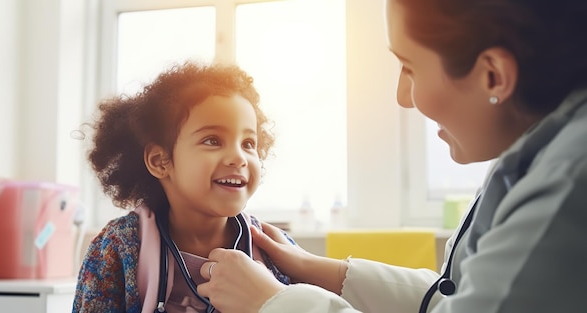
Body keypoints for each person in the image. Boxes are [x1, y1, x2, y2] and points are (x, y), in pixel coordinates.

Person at [196, 0, 587, 312]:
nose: (402, 97)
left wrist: (274, 303)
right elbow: (453, 298)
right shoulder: (532, 157)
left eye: (409, 67)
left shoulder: (569, 186)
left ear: (493, 76)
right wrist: (316, 269)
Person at [72, 61, 292, 313]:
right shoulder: (117, 248)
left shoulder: (274, 249)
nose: (239, 157)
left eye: (248, 143)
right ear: (160, 161)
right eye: (213, 140)